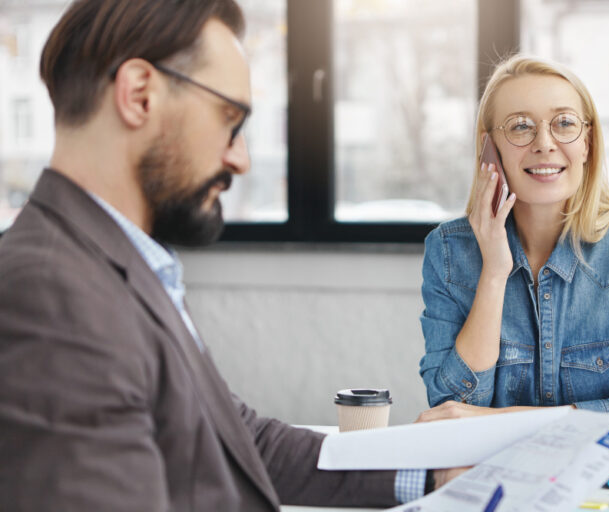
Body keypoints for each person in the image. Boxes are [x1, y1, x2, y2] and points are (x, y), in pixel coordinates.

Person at [0, 1, 461, 510]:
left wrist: (432, 477)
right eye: (230, 119)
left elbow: (239, 441)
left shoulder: (119, 265)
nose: (240, 160)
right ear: (139, 95)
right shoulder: (51, 295)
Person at [417, 55, 609, 441]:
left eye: (564, 123)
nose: (545, 144)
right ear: (489, 148)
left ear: (587, 143)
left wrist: (510, 421)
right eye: (521, 126)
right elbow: (452, 408)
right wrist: (494, 273)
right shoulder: (449, 252)